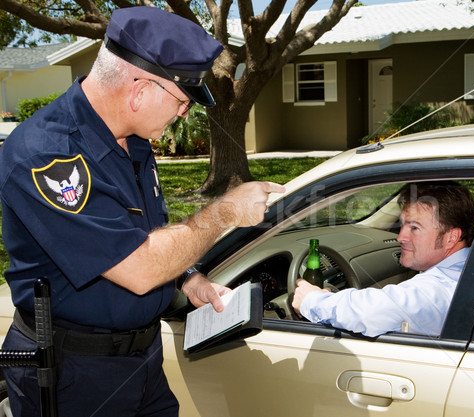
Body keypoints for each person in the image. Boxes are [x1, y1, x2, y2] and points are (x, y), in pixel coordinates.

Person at [0, 6, 284, 417]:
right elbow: (138, 268)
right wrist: (224, 212)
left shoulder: (131, 142)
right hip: (75, 373)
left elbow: (146, 233)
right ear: (139, 91)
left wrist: (188, 278)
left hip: (141, 362)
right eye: (183, 102)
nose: (183, 114)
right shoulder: (48, 155)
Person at [292, 181, 474, 337]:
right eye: (402, 225)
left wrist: (311, 300)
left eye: (415, 228)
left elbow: (372, 311)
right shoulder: (471, 266)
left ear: (451, 237)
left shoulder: (441, 288)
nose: (400, 237)